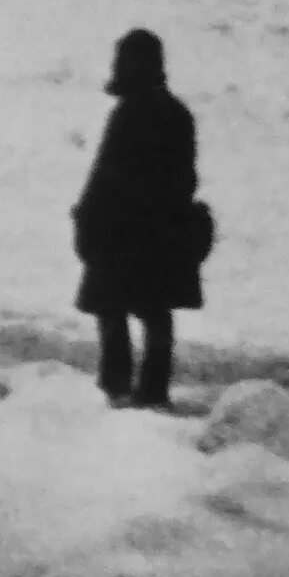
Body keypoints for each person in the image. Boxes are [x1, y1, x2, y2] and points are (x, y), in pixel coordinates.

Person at [71, 28, 202, 408]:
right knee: (155, 311)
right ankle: (154, 389)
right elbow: (187, 177)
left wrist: (87, 218)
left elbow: (106, 174)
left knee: (111, 307)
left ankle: (116, 385)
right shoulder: (177, 114)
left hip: (121, 233)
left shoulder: (128, 114)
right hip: (163, 231)